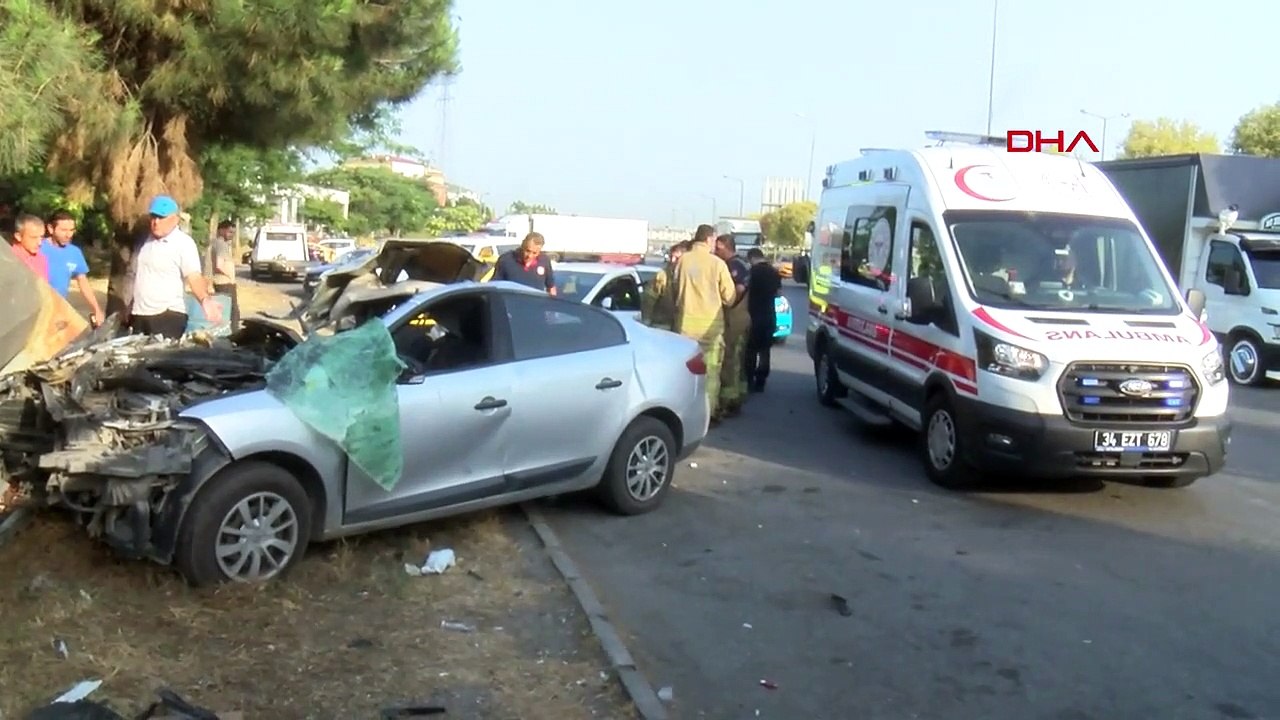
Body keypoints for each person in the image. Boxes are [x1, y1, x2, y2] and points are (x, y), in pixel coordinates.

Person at [665, 224, 736, 424]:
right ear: (709, 239)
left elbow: (672, 292)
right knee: (711, 373)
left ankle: (683, 413)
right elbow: (729, 297)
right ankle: (709, 414)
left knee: (685, 372)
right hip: (710, 331)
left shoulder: (682, 262)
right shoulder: (717, 264)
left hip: (684, 327)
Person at [128, 195, 222, 339]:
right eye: (153, 217)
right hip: (140, 315)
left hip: (168, 315)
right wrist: (130, 307)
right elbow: (143, 276)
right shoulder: (146, 241)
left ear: (175, 219)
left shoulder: (183, 244)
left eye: (161, 217)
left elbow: (194, 276)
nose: (155, 222)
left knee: (159, 360)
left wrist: (205, 300)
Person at [43, 210, 105, 327]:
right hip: (37, 307)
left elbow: (83, 281)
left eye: (71, 230)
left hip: (58, 310)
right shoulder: (38, 248)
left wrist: (96, 308)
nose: (69, 235)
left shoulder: (74, 252)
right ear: (51, 229)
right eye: (64, 230)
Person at [714, 234, 751, 417]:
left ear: (724, 246)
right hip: (740, 319)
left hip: (735, 320)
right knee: (737, 361)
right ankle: (737, 396)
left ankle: (729, 401)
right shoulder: (741, 263)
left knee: (731, 360)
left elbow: (737, 292)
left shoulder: (735, 266)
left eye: (717, 248)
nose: (714, 251)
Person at [744, 247, 783, 392]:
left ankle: (749, 379)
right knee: (765, 350)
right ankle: (761, 380)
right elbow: (779, 294)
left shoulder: (752, 272)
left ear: (751, 258)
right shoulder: (774, 272)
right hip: (769, 315)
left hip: (753, 315)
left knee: (751, 350)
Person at [640, 240, 689, 330]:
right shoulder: (663, 275)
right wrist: (646, 320)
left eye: (677, 258)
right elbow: (649, 297)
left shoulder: (690, 277)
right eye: (671, 256)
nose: (672, 260)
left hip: (683, 326)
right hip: (663, 324)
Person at [492, 232, 556, 295]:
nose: (530, 256)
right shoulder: (506, 259)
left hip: (535, 304)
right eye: (527, 251)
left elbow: (551, 288)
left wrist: (552, 304)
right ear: (522, 245)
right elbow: (495, 286)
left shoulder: (544, 261)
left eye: (534, 253)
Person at [207, 220, 240, 331]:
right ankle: (233, 333)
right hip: (225, 282)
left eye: (233, 233)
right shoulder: (221, 244)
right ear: (221, 230)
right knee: (232, 310)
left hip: (222, 282)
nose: (231, 235)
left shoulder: (217, 243)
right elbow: (219, 265)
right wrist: (230, 276)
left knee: (226, 309)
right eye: (229, 232)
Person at [9, 213, 49, 282]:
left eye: (41, 237)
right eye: (33, 238)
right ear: (18, 236)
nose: (39, 243)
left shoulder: (41, 259)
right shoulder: (8, 258)